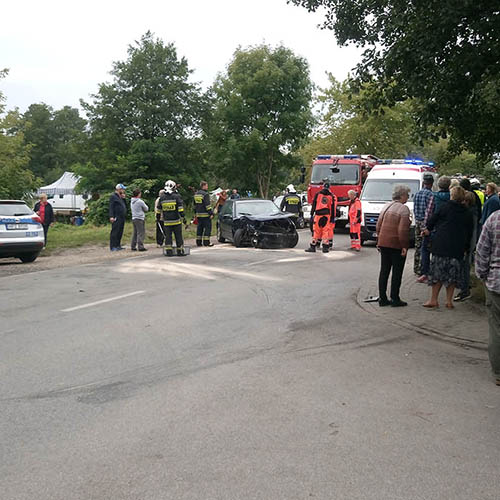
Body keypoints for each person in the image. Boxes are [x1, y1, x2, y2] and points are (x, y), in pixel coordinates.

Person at [422, 186, 473, 309]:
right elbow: (470, 232)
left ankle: (433, 300)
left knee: (437, 274)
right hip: (457, 248)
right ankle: (449, 301)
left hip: (441, 245)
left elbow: (431, 220)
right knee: (452, 276)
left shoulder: (445, 207)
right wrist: (466, 247)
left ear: (452, 195)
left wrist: (428, 229)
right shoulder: (467, 212)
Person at [475, 210, 500, 386]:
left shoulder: (495, 218)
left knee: (496, 327)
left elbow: (482, 250)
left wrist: (482, 274)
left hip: (496, 281)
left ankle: (498, 371)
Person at [376, 184, 411, 307]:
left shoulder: (386, 206)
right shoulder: (403, 209)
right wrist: (404, 246)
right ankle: (395, 298)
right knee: (397, 272)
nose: (408, 197)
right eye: (407, 195)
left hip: (384, 243)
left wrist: (379, 240)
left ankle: (382, 298)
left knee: (384, 271)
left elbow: (378, 225)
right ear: (402, 195)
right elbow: (403, 230)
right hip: (396, 244)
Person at [413, 174, 434, 281]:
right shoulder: (431, 195)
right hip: (426, 224)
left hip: (418, 222)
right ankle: (424, 269)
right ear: (431, 183)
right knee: (426, 247)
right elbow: (429, 212)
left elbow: (415, 209)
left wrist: (418, 221)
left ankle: (416, 268)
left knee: (418, 246)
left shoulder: (417, 194)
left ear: (424, 183)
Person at [305, 182, 336, 253]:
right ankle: (325, 248)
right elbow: (332, 207)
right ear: (329, 188)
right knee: (325, 231)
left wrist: (311, 214)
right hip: (327, 215)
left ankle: (313, 246)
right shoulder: (331, 196)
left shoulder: (318, 194)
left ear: (323, 187)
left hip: (318, 214)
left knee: (316, 231)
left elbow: (314, 204)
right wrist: (332, 217)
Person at [158, 179, 186, 257]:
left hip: (166, 222)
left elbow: (158, 209)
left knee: (168, 237)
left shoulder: (162, 197)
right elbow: (180, 209)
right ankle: (180, 251)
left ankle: (169, 252)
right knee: (178, 237)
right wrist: (183, 217)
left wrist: (157, 218)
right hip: (176, 221)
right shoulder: (177, 196)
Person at [194, 181, 214, 247]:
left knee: (199, 228)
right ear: (204, 186)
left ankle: (198, 242)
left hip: (199, 214)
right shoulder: (205, 194)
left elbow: (195, 205)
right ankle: (206, 242)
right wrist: (211, 213)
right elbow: (207, 205)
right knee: (207, 228)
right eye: (207, 186)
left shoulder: (196, 194)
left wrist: (195, 213)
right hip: (205, 215)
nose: (207, 187)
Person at [109, 183, 127, 251]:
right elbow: (111, 207)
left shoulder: (120, 197)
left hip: (122, 216)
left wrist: (124, 198)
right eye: (123, 189)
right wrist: (111, 216)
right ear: (119, 189)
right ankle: (113, 246)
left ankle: (118, 245)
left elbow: (124, 205)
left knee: (120, 231)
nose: (123, 191)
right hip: (116, 216)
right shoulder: (113, 196)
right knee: (115, 231)